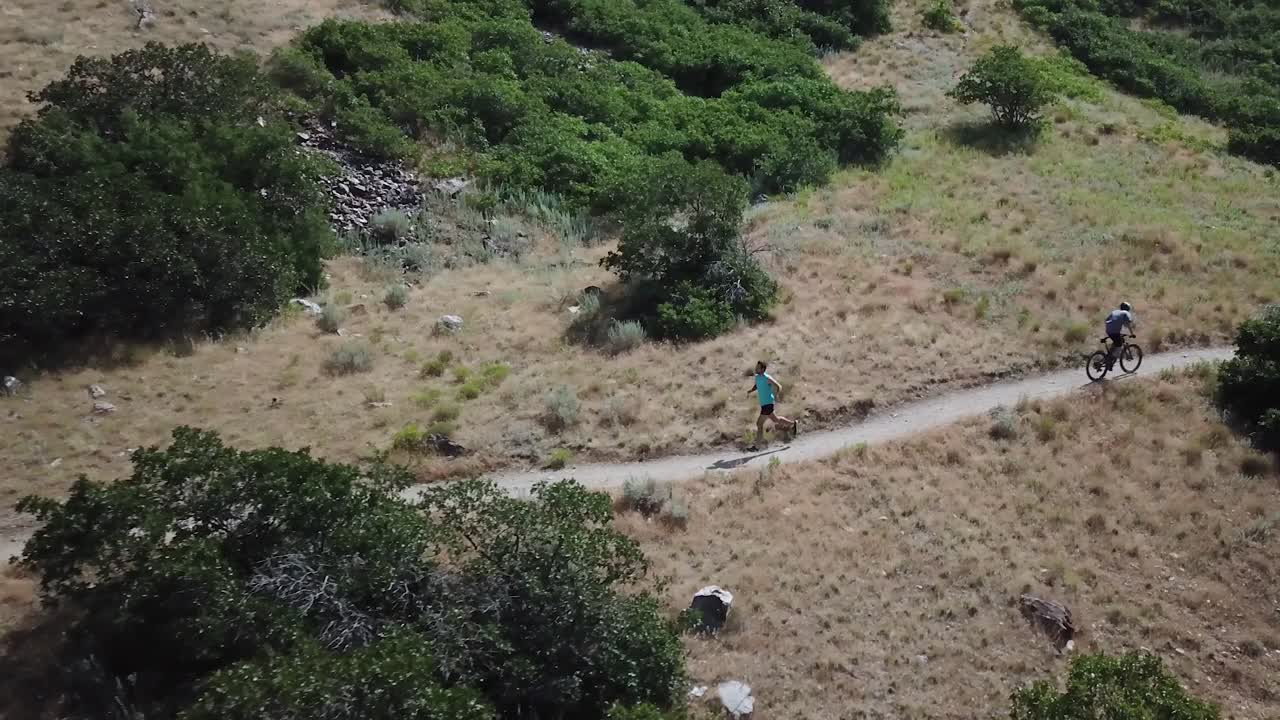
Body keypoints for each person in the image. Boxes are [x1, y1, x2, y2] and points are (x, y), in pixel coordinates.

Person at [746, 361, 797, 450]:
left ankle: (757, 446)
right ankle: (793, 424)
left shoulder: (767, 378)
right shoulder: (757, 377)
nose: (756, 369)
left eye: (758, 367)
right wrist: (751, 390)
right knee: (776, 419)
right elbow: (757, 385)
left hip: (768, 403)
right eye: (756, 367)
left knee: (759, 423)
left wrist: (775, 395)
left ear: (762, 369)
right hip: (764, 404)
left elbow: (778, 386)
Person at [1104, 302, 1136, 368]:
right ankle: (1110, 360)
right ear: (1128, 308)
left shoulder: (1115, 311)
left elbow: (1107, 319)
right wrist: (1132, 334)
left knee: (1116, 341)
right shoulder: (1126, 313)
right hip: (1115, 331)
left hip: (1108, 330)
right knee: (1119, 345)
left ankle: (1109, 356)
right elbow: (1127, 325)